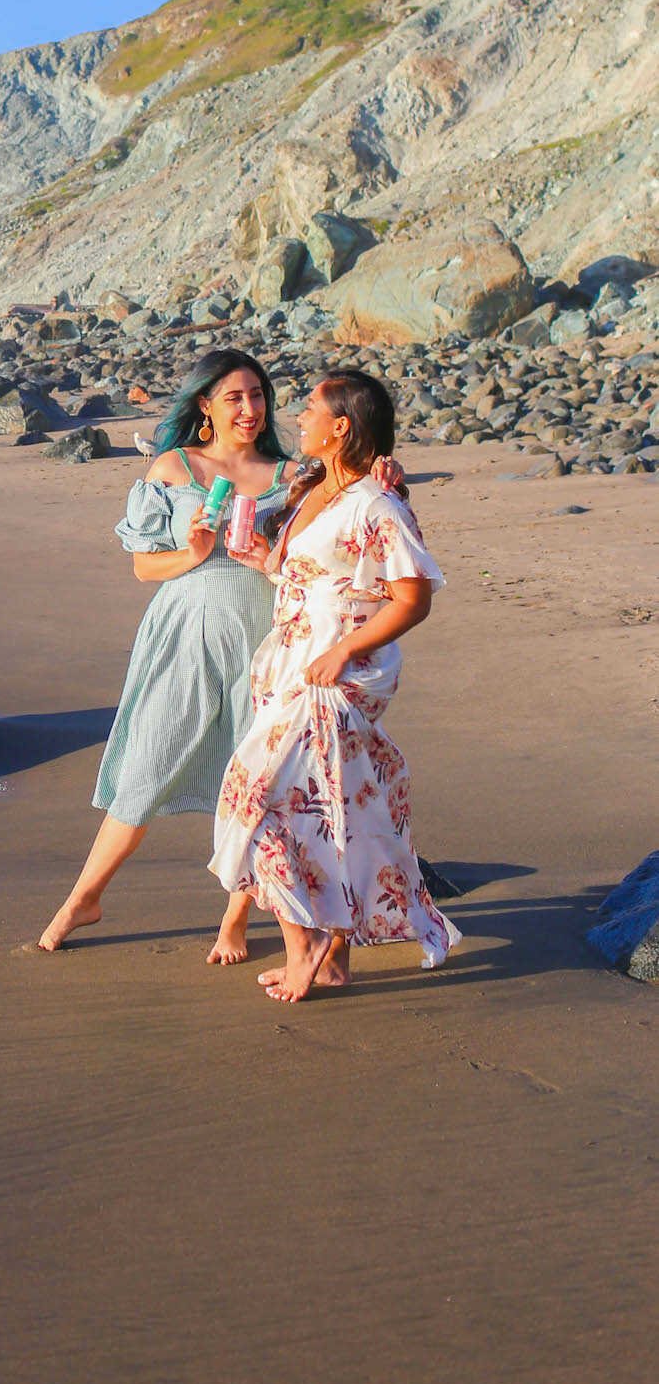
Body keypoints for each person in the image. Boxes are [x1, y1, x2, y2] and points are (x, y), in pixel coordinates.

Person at [210, 369, 461, 1002]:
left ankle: (306, 944)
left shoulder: (378, 504)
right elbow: (320, 576)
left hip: (339, 671)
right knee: (328, 807)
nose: (299, 419)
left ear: (341, 426)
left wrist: (345, 649)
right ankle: (335, 957)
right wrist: (267, 561)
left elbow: (413, 598)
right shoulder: (313, 488)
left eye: (312, 410)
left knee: (257, 797)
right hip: (294, 663)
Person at [38, 350, 298, 960]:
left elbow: (333, 527)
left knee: (255, 781)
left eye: (257, 395)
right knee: (146, 766)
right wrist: (191, 550)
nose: (249, 409)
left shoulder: (290, 475)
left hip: (262, 639)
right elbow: (141, 567)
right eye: (234, 397)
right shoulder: (175, 469)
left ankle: (235, 920)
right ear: (204, 404)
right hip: (183, 634)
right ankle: (85, 897)